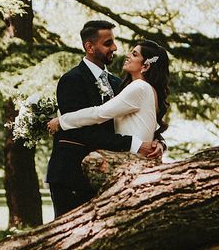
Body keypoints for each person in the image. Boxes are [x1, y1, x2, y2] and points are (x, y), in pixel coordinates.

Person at [45, 21, 164, 218]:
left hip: (105, 173)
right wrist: (133, 144)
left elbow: (140, 118)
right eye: (108, 43)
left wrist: (157, 143)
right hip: (72, 174)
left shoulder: (119, 83)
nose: (115, 48)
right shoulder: (72, 80)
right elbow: (81, 132)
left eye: (114, 42)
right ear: (89, 47)